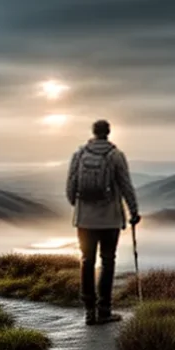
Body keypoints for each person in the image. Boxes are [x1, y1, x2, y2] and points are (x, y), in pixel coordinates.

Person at [66, 119, 141, 325]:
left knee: (86, 260)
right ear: (108, 133)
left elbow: (70, 186)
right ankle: (104, 310)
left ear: (93, 132)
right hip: (109, 218)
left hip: (84, 219)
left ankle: (89, 310)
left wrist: (79, 205)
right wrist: (134, 212)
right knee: (108, 261)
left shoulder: (79, 155)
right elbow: (126, 186)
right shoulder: (115, 156)